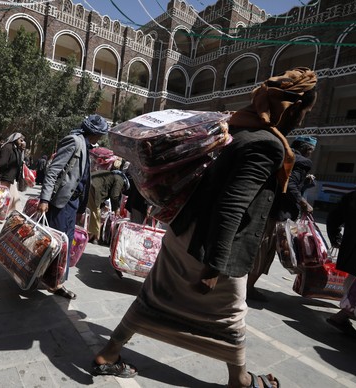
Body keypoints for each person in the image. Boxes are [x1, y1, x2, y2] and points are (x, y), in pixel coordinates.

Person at [92, 67, 317, 388]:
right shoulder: (268, 145)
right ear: (290, 108)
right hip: (213, 245)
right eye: (304, 111)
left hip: (184, 232)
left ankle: (109, 352)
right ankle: (238, 380)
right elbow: (233, 204)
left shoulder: (237, 127)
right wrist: (214, 266)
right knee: (231, 315)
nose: (303, 119)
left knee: (156, 294)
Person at [37, 114, 109, 300]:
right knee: (56, 243)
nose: (101, 138)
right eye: (100, 134)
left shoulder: (86, 145)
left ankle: (54, 279)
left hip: (73, 203)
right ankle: (51, 280)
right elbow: (53, 171)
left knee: (65, 244)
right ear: (94, 132)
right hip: (61, 202)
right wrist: (44, 199)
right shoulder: (74, 141)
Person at [247, 135, 317, 301]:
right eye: (311, 151)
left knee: (259, 249)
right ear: (307, 149)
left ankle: (246, 285)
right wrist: (303, 202)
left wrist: (305, 182)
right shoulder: (302, 162)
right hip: (280, 215)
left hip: (267, 208)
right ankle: (248, 288)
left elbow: (286, 182)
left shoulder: (285, 156)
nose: (311, 154)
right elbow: (291, 185)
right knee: (266, 252)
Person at [325, 175, 356, 338]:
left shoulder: (351, 198)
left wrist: (335, 238)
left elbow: (333, 218)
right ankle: (343, 316)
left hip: (350, 250)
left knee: (352, 281)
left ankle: (344, 314)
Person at [86, 169, 129, 244]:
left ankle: (92, 235)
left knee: (89, 212)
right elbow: (115, 195)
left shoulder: (110, 176)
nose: (121, 191)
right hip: (93, 188)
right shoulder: (120, 180)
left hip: (89, 184)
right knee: (95, 214)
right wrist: (117, 209)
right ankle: (94, 237)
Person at [0, 132, 27, 212]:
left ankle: (7, 214)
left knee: (13, 200)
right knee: (5, 198)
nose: (22, 142)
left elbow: (20, 162)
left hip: (11, 178)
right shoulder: (8, 147)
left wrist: (22, 150)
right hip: (5, 178)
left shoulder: (16, 149)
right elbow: (2, 163)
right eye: (20, 140)